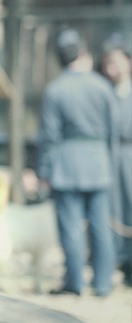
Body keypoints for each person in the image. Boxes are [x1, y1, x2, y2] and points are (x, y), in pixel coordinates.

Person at [37, 28, 117, 296]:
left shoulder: (55, 90)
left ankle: (75, 282)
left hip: (66, 164)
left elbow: (49, 136)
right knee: (101, 225)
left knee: (71, 227)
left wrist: (44, 170)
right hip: (98, 162)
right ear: (83, 53)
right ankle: (103, 283)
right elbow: (113, 130)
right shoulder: (103, 87)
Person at [101, 33, 132, 286]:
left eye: (116, 61)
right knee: (115, 209)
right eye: (107, 63)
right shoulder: (104, 93)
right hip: (112, 158)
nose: (112, 68)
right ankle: (121, 260)